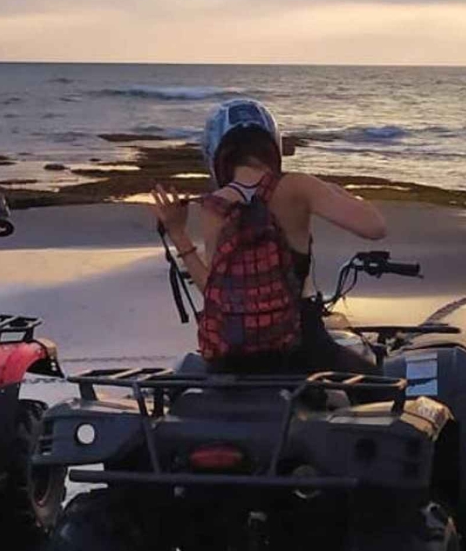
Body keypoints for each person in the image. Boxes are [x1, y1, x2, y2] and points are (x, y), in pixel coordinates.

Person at [152, 98, 387, 373]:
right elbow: (375, 227)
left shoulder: (215, 204)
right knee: (380, 380)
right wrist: (332, 191)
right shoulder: (297, 186)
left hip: (232, 356)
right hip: (300, 348)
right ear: (272, 143)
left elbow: (213, 291)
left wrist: (177, 233)